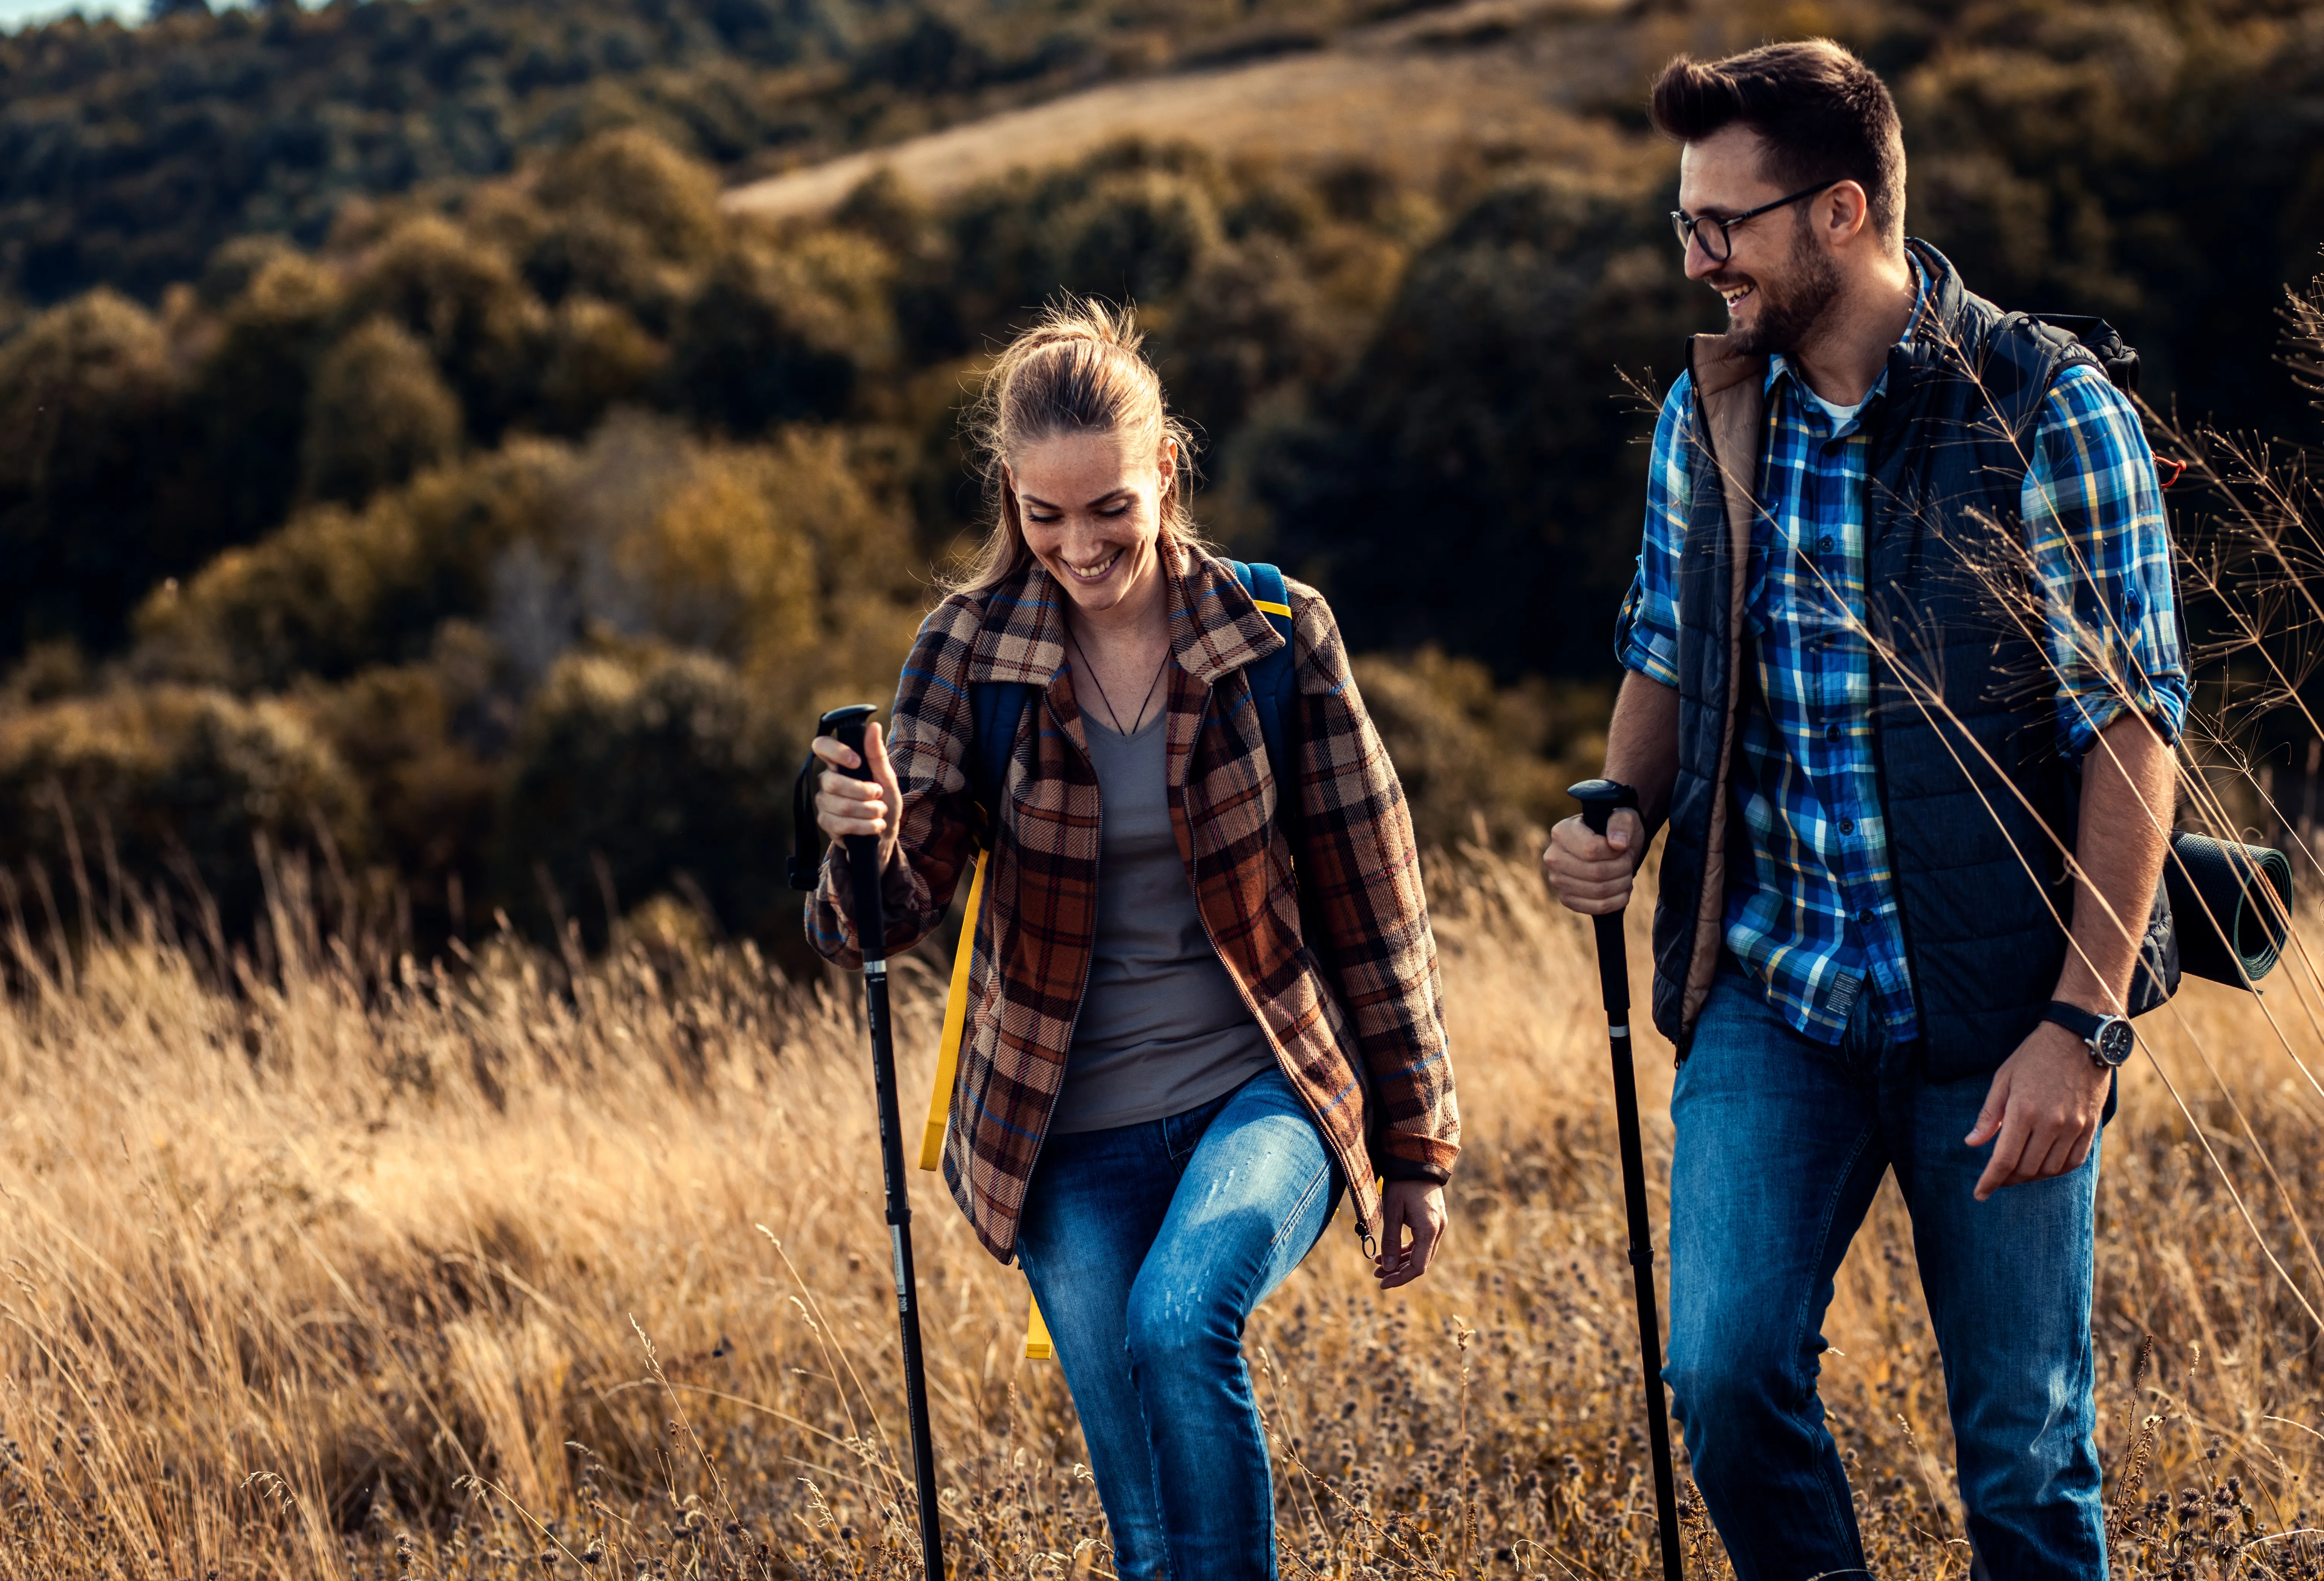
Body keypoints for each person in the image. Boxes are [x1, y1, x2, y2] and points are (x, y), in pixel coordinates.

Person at [1542, 40, 2186, 1579]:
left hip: (1999, 1007)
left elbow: (2128, 733)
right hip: (1775, 989)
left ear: (1838, 212)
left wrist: (2078, 1026)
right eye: (1681, 225)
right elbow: (1660, 643)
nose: (1694, 259)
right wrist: (1618, 809)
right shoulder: (1705, 416)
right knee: (1721, 1378)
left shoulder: (2044, 410)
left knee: (2024, 1452)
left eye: (1722, 225)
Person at [804, 298, 1460, 1580]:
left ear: (1165, 469)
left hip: (1258, 1091)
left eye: (1107, 507)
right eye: (1043, 517)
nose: (1077, 544)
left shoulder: (1275, 632)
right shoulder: (964, 652)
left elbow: (1374, 893)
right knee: (1151, 1541)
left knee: (1179, 1323)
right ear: (1009, 496)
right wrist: (857, 834)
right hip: (1057, 1135)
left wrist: (1415, 1144)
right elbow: (887, 916)